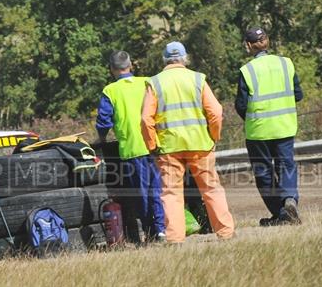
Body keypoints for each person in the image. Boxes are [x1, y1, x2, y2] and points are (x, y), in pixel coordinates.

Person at [141, 41, 235, 244]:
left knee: (172, 193)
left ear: (164, 59)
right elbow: (216, 112)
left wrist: (152, 145)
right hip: (200, 144)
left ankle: (175, 238)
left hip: (168, 147)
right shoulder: (198, 79)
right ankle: (225, 233)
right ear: (185, 58)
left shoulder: (155, 82)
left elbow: (145, 119)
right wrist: (214, 136)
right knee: (211, 188)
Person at [95, 50, 166, 242]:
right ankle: (160, 230)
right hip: (155, 145)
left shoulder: (110, 91)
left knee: (141, 194)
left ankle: (149, 230)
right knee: (157, 190)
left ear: (111, 69)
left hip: (131, 149)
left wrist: (102, 139)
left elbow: (103, 121)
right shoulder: (147, 82)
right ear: (131, 65)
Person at [235, 26, 303, 226]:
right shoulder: (286, 64)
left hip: (259, 131)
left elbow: (241, 105)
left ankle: (280, 213)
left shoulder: (247, 70)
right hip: (284, 126)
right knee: (286, 166)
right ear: (267, 40)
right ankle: (289, 200)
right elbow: (298, 95)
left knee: (263, 172)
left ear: (248, 46)